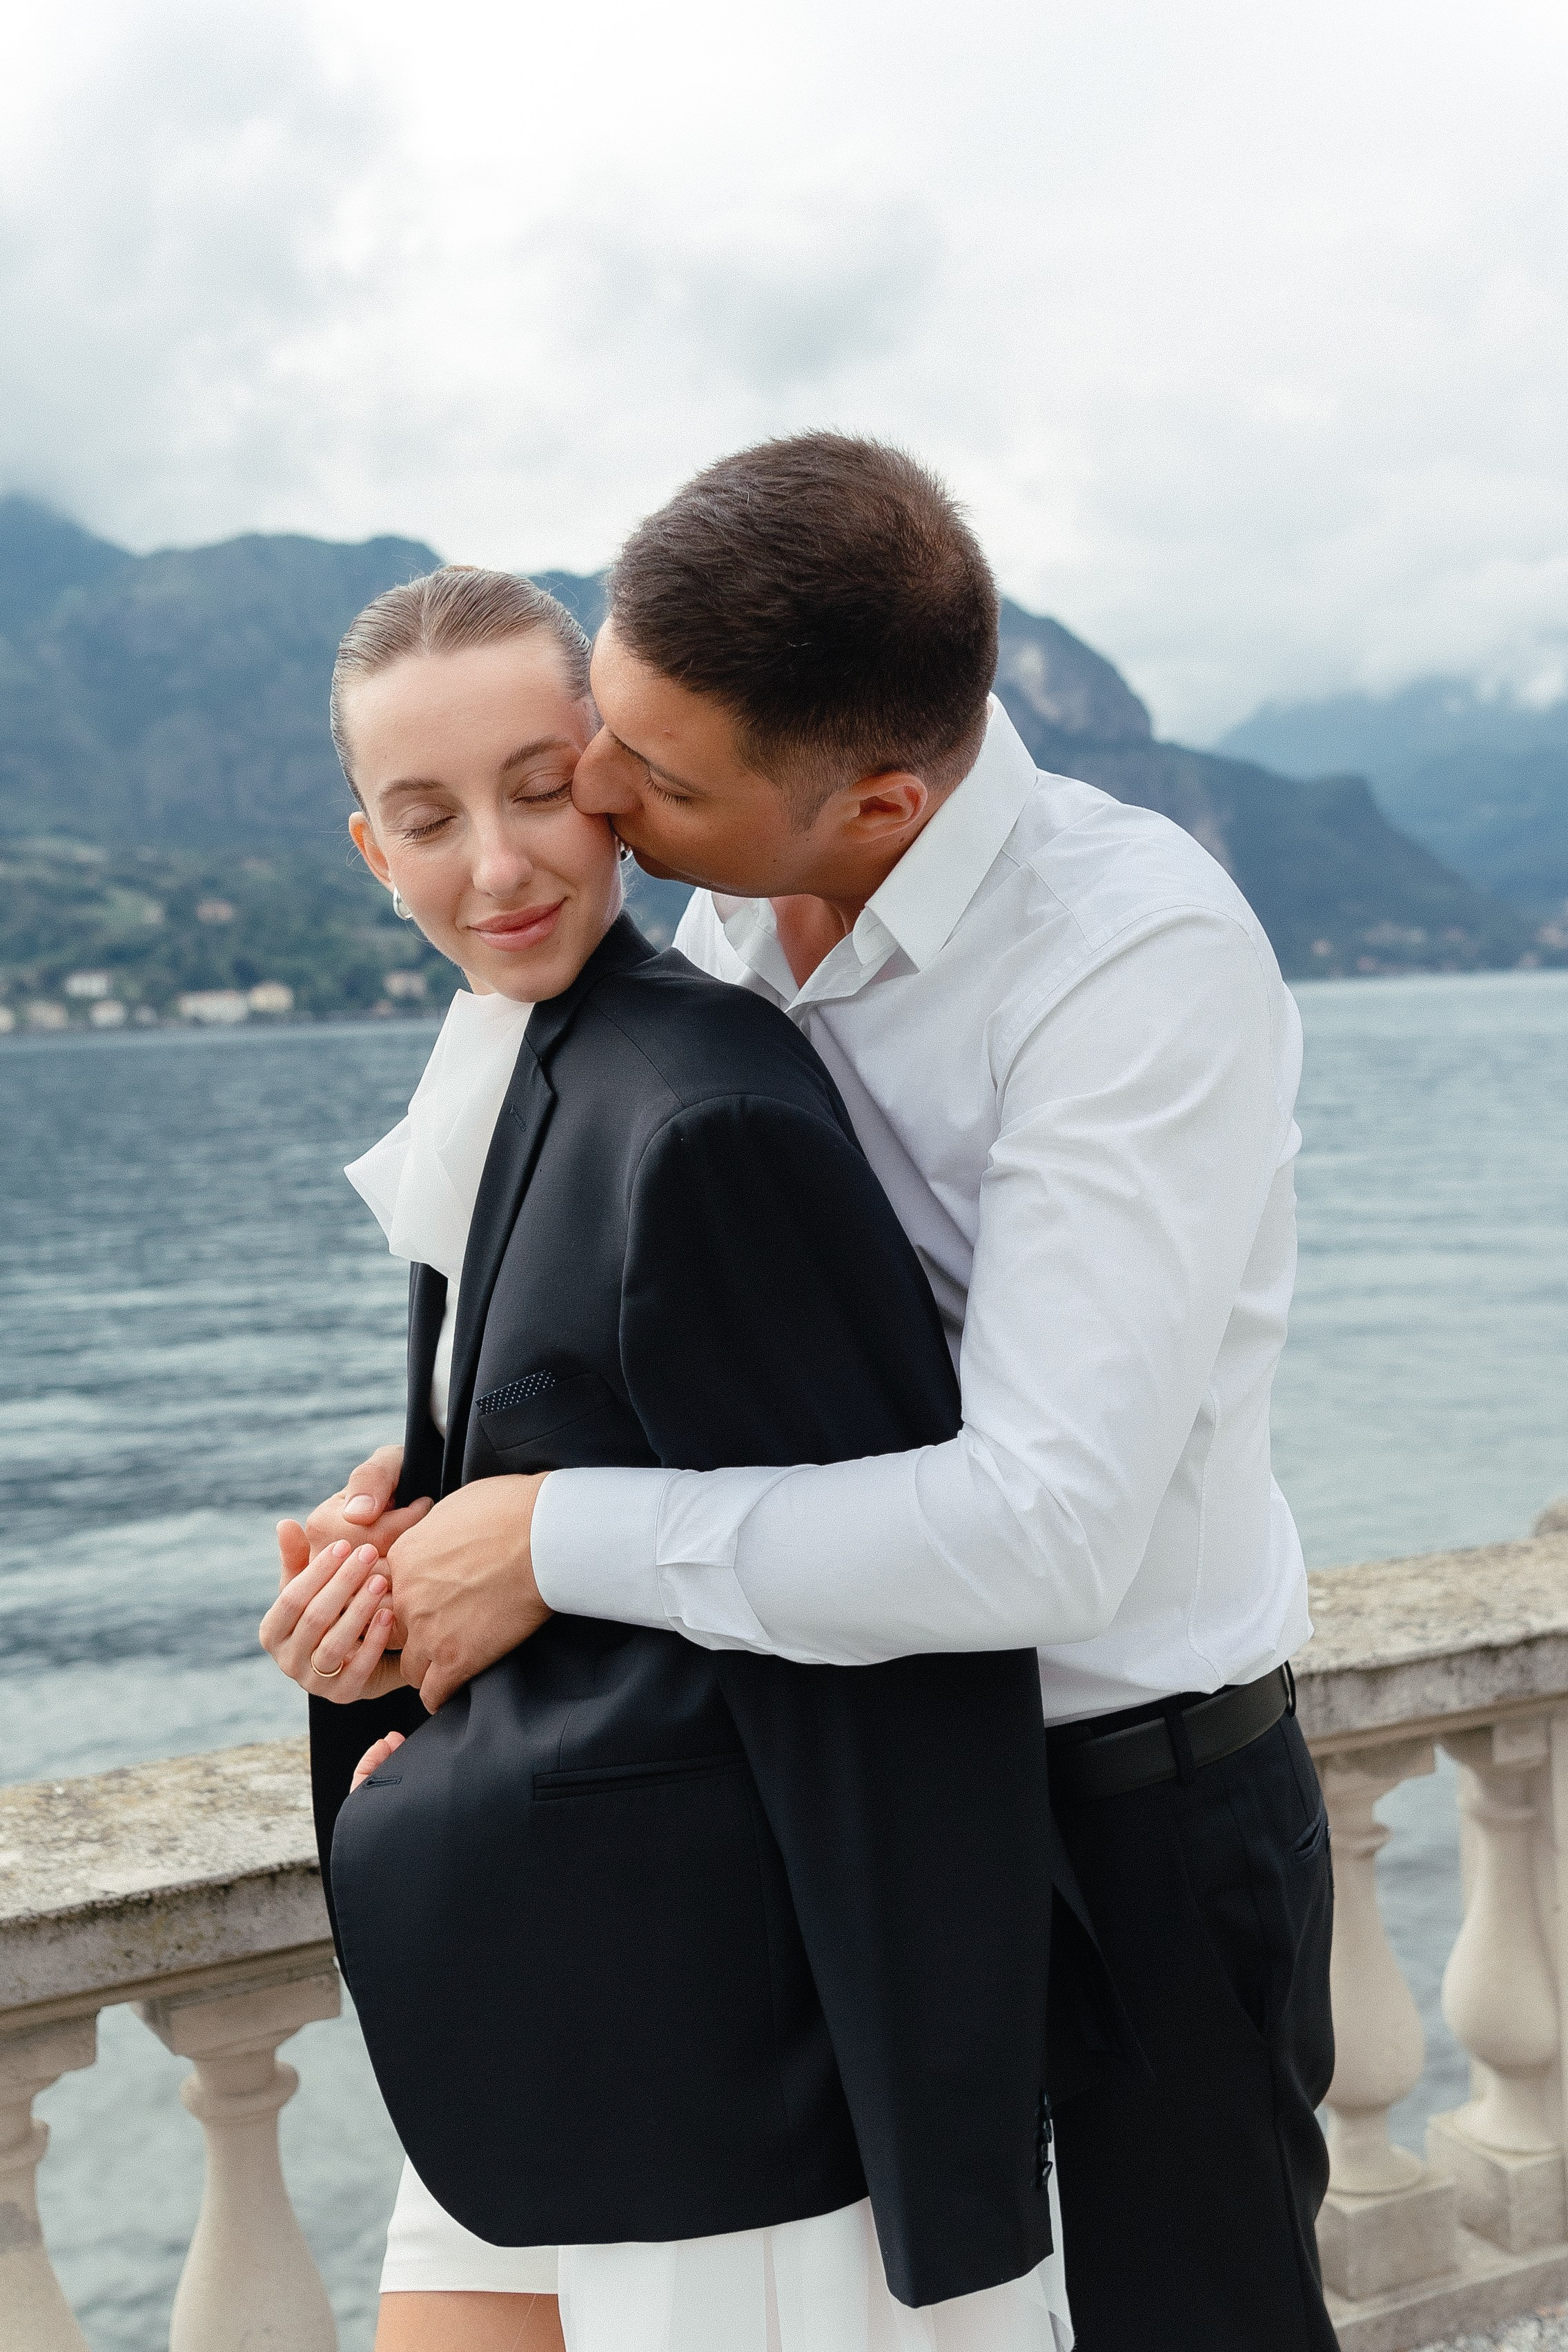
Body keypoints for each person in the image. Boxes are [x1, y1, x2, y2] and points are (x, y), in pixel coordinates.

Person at [346, 437, 1337, 2352]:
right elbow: (720, 1336)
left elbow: (1044, 1527)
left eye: (646, 776)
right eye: (605, 733)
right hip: (833, 1800)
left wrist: (553, 1535)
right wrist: (451, 1477)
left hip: (1118, 1815)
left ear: (879, 802)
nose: (599, 803)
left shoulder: (1131, 959)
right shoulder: (732, 899)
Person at [264, 562, 1079, 2352]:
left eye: (539, 788)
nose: (498, 864)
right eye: (428, 818)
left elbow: (906, 1659)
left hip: (731, 2068)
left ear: (614, 774)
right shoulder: (515, 1058)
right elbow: (574, 1426)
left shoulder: (703, 1111)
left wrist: (936, 2152)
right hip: (548, 1999)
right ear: (368, 851)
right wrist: (390, 1551)